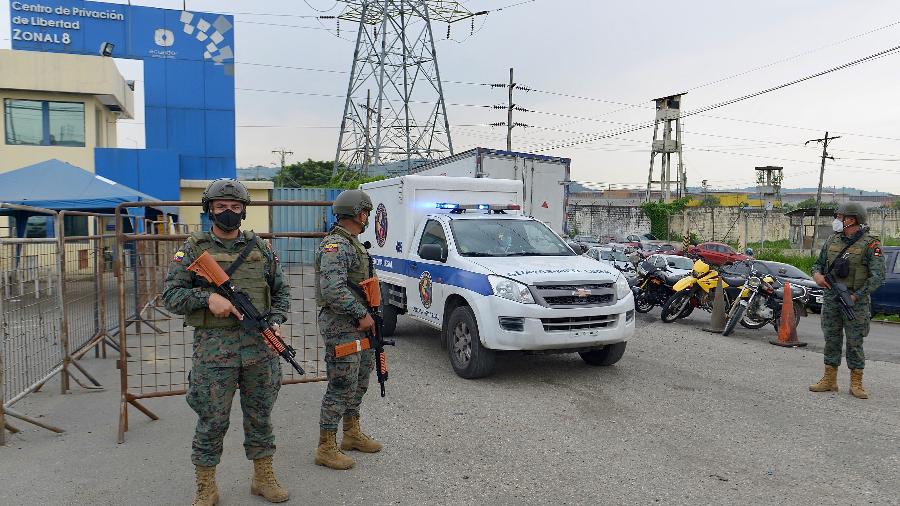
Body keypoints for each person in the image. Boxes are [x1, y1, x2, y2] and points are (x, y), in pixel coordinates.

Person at [163, 179, 291, 505]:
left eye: (235, 208)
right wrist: (207, 299)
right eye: (221, 207)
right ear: (209, 209)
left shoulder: (260, 248)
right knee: (212, 420)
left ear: (244, 211)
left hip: (260, 350)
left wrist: (275, 322)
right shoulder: (193, 248)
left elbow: (281, 293)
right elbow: (171, 296)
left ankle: (263, 477)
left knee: (260, 416)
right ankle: (206, 487)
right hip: (214, 352)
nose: (229, 213)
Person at [314, 189, 383, 470]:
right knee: (341, 384)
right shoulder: (336, 246)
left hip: (360, 325)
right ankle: (326, 447)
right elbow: (332, 289)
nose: (367, 217)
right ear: (359, 214)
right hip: (341, 325)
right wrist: (360, 314)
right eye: (366, 212)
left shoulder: (353, 244)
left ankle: (351, 434)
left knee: (359, 380)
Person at [809, 202, 885, 399]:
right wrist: (817, 276)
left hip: (854, 302)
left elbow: (877, 277)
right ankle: (829, 380)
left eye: (840, 217)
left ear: (851, 219)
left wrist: (856, 296)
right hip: (832, 298)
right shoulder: (832, 240)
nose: (837, 220)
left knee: (855, 342)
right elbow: (818, 265)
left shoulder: (871, 244)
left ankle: (856, 383)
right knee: (831, 339)